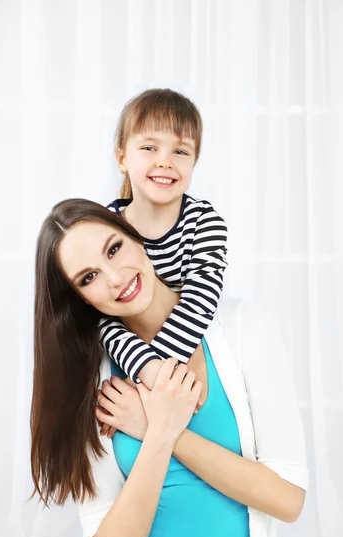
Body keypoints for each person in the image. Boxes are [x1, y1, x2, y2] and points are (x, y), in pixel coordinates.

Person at [31, 198, 308, 537]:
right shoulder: (94, 377)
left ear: (137, 238)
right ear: (81, 299)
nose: (114, 277)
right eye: (89, 277)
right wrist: (160, 435)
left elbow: (288, 500)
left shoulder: (246, 328)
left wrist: (157, 427)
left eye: (114, 249)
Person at [99, 88, 228, 406]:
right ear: (122, 159)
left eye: (180, 152)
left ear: (195, 161)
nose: (165, 162)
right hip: (129, 355)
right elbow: (102, 319)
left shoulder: (204, 222)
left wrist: (158, 374)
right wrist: (144, 368)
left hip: (187, 347)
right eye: (149, 147)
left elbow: (199, 301)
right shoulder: (105, 227)